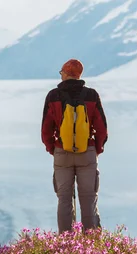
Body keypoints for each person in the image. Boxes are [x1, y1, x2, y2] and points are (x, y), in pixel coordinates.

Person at [41, 59, 108, 234]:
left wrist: (53, 149)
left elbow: (46, 130)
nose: (61, 75)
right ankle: (91, 244)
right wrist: (96, 149)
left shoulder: (53, 96)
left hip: (62, 152)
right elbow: (102, 128)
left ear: (66, 73)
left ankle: (66, 244)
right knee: (88, 199)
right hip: (87, 152)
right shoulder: (91, 95)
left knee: (64, 199)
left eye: (61, 72)